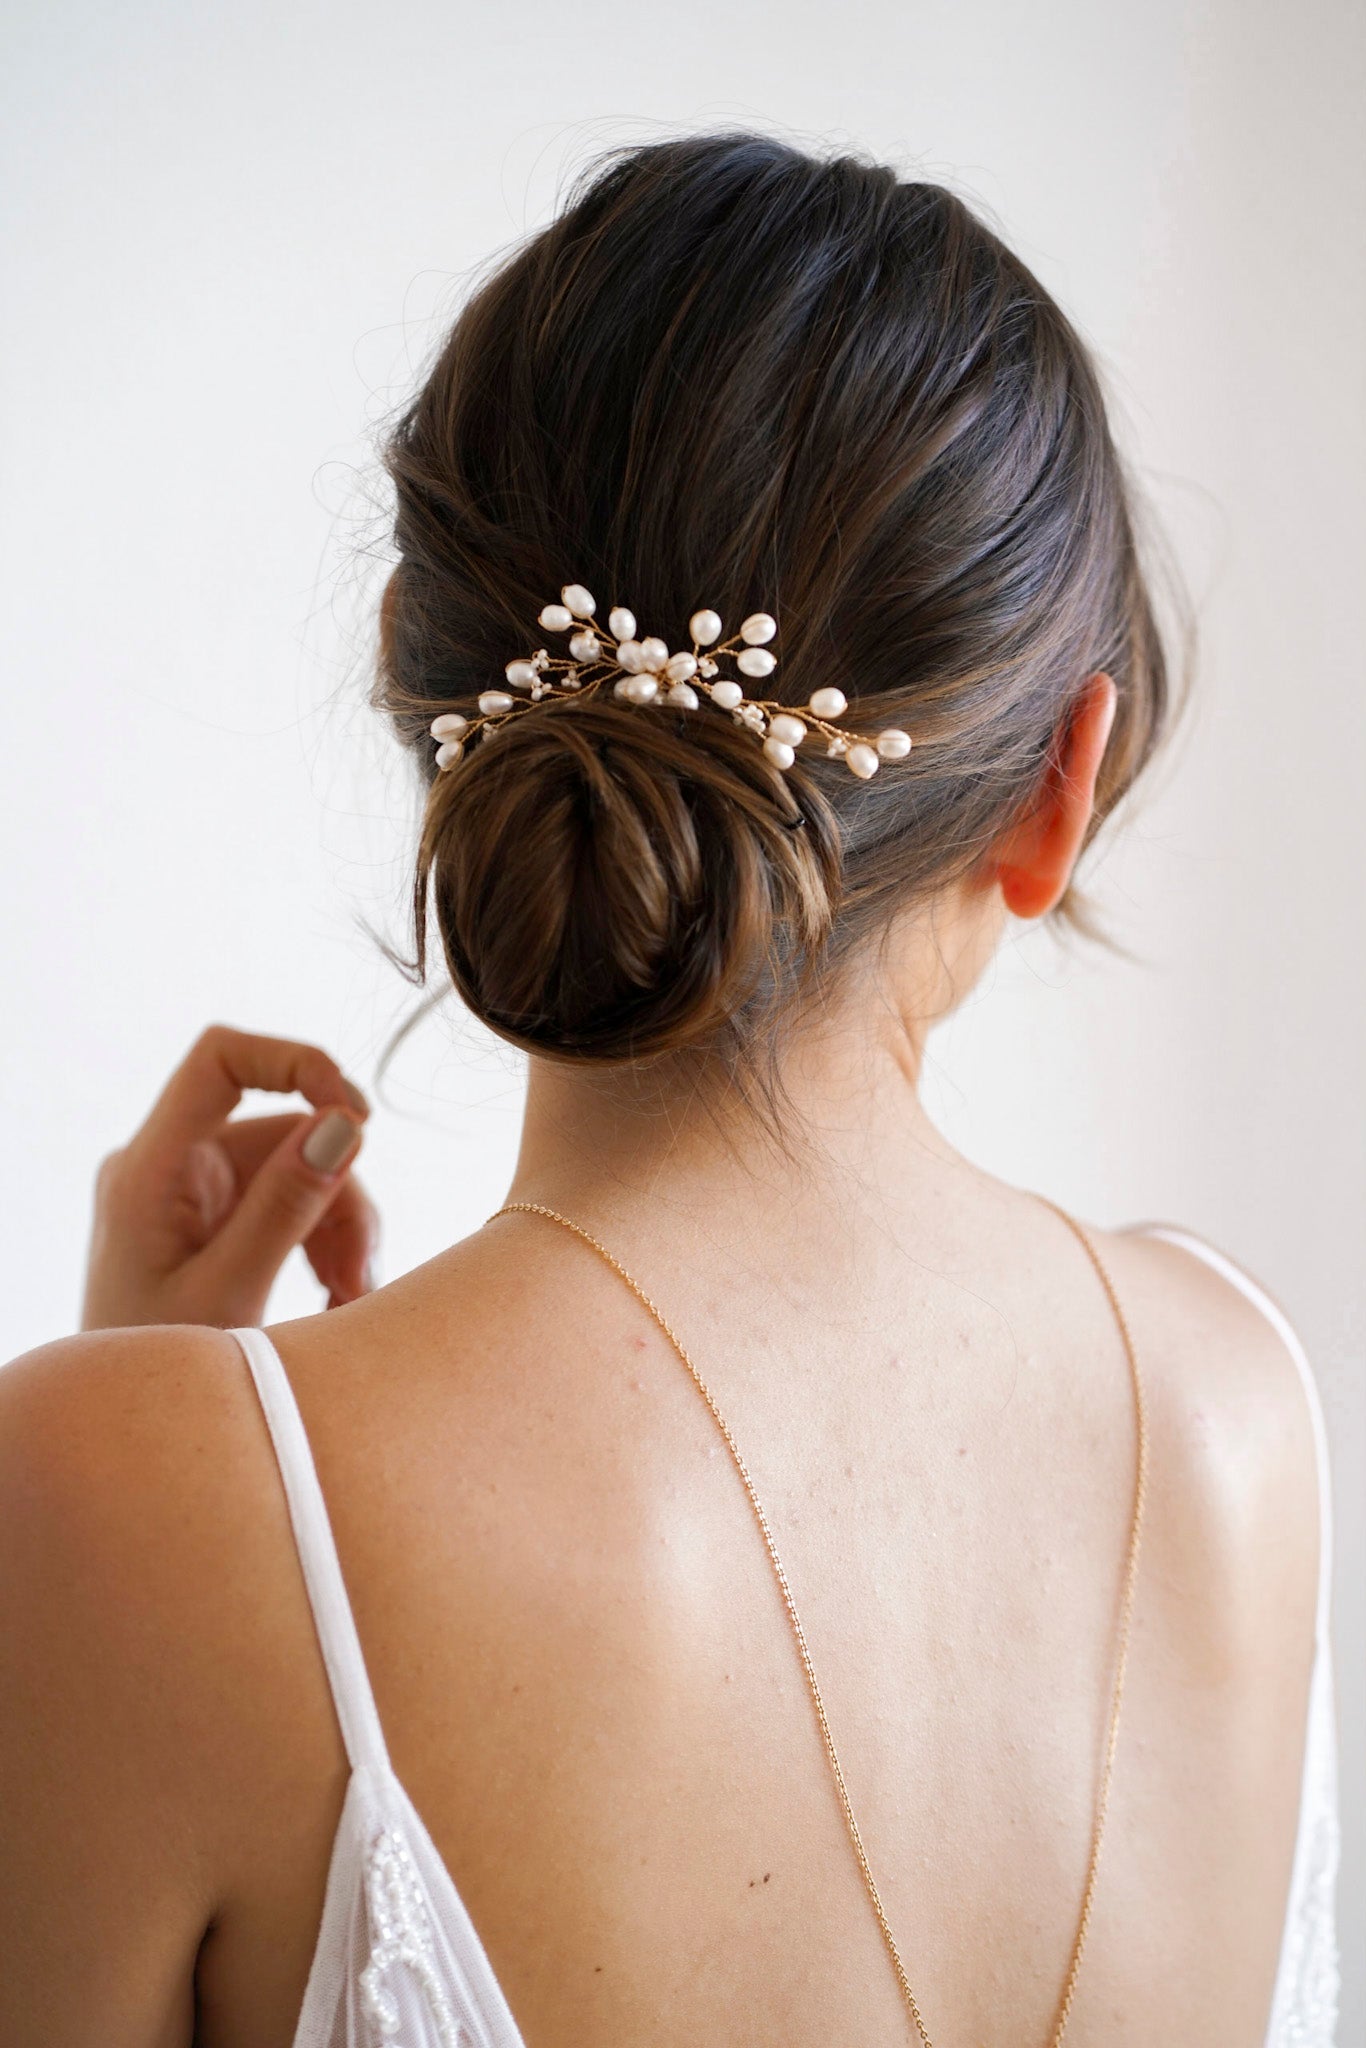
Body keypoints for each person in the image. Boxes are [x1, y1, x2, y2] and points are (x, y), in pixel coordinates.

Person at [0, 134, 1338, 2047]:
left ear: (418, 677)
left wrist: (135, 1453)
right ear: (1061, 784)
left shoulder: (124, 1505)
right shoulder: (1240, 1405)